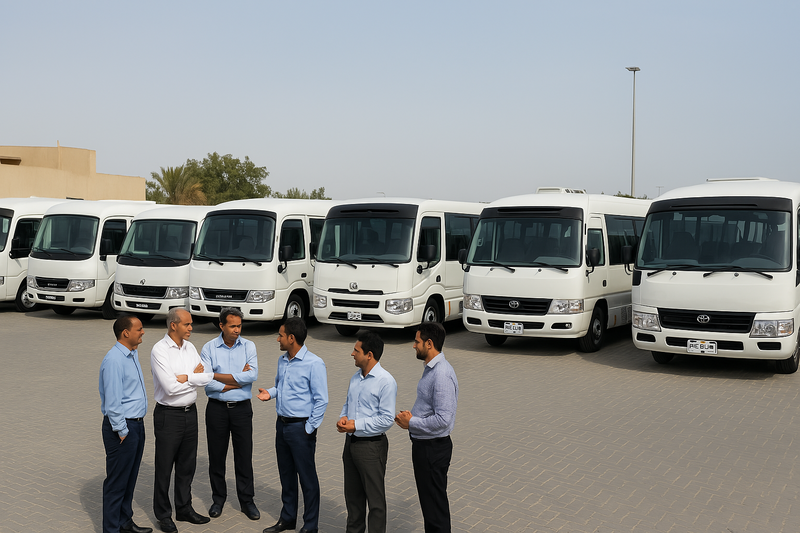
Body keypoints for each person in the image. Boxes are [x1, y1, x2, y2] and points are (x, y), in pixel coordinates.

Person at [258, 317, 328, 533]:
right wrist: (270, 393)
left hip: (301, 429)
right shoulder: (283, 360)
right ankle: (287, 518)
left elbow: (321, 399)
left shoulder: (314, 363)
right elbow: (281, 386)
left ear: (291, 338)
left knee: (307, 479)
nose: (277, 339)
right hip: (282, 426)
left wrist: (309, 428)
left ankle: (310, 525)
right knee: (286, 475)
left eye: (280, 335)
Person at [150, 308, 213, 533]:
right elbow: (169, 387)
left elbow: (206, 376)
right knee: (164, 467)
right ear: (173, 325)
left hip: (191, 413)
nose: (191, 328)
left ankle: (184, 508)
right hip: (169, 415)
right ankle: (163, 515)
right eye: (187, 324)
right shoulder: (159, 350)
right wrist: (193, 377)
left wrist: (186, 377)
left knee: (187, 465)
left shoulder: (190, 347)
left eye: (191, 324)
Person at [395, 322, 459, 533]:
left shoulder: (441, 374)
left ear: (429, 343)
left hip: (433, 450)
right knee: (430, 508)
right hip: (425, 447)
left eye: (417, 341)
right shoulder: (431, 369)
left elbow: (443, 420)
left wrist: (411, 422)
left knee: (435, 510)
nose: (414, 346)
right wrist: (412, 416)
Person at [199, 307, 260, 521]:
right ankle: (218, 499)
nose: (237, 330)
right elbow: (206, 381)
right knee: (217, 457)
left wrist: (219, 378)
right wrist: (235, 381)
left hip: (242, 410)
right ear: (221, 325)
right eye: (233, 326)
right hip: (216, 410)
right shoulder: (209, 348)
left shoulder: (249, 346)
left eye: (239, 325)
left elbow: (252, 375)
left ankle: (247, 501)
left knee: (244, 456)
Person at [336, 331, 397, 533]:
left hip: (372, 447)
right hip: (350, 445)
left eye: (356, 350)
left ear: (369, 355)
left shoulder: (386, 381)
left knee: (375, 502)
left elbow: (387, 419)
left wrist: (356, 425)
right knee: (353, 499)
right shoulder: (355, 378)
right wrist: (344, 417)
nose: (352, 354)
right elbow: (348, 403)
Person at [99, 315, 152, 533]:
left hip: (136, 425)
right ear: (125, 333)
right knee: (116, 483)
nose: (143, 332)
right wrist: (122, 430)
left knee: (129, 479)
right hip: (122, 428)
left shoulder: (131, 355)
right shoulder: (114, 360)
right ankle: (111, 529)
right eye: (139, 329)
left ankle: (124, 523)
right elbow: (113, 401)